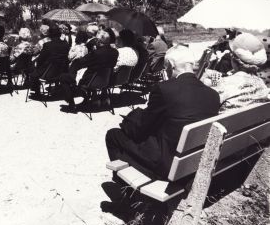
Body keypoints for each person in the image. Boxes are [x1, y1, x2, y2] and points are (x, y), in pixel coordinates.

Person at [105, 45, 220, 180]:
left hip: (167, 165)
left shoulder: (165, 89)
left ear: (171, 65)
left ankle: (124, 184)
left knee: (113, 135)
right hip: (193, 161)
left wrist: (128, 124)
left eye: (165, 67)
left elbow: (140, 129)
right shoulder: (213, 94)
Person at [201, 33, 269, 111]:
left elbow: (208, 100)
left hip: (225, 122)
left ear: (233, 59)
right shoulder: (261, 83)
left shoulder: (224, 84)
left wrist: (203, 78)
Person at [60, 29, 119, 112]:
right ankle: (90, 98)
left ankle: (71, 104)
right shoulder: (115, 52)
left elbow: (81, 62)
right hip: (105, 80)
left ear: (99, 40)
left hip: (91, 81)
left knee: (63, 77)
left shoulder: (96, 53)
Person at [28, 25, 69, 97]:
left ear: (50, 34)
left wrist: (38, 68)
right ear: (59, 34)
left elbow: (40, 59)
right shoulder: (66, 44)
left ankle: (36, 92)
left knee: (33, 73)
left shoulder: (47, 45)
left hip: (49, 73)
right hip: (62, 71)